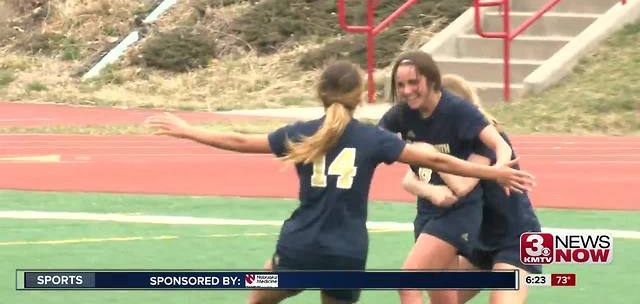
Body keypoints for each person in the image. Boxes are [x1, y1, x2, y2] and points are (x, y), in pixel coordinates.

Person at [145, 61, 534, 304]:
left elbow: (240, 141)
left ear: (319, 93)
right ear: (361, 97)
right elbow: (433, 158)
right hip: (346, 254)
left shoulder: (302, 133)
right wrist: (494, 171)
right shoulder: (371, 138)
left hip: (299, 246)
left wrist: (188, 130)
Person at [378, 51, 523, 304]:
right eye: (401, 85)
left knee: (408, 283)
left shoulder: (471, 126)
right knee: (443, 297)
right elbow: (402, 170)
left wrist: (499, 170)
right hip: (454, 228)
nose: (407, 90)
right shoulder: (406, 115)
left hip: (504, 233)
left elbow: (464, 186)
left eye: (414, 83)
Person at [402, 74, 542, 304]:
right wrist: (431, 190)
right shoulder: (445, 143)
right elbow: (409, 180)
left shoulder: (487, 140)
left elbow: (463, 185)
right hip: (476, 241)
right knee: (444, 297)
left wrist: (434, 156)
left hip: (515, 239)